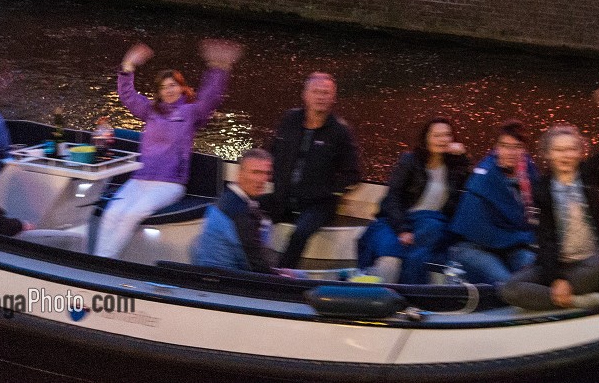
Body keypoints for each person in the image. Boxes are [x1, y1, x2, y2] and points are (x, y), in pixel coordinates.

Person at [94, 40, 238, 258]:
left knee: (133, 213)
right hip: (140, 179)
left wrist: (219, 67)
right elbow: (127, 95)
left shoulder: (191, 113)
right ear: (158, 92)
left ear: (181, 87)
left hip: (169, 184)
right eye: (163, 87)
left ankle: (105, 263)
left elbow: (211, 98)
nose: (168, 90)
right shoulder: (151, 111)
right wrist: (127, 66)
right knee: (112, 213)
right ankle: (98, 260)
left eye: (172, 85)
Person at [500, 85, 599, 311]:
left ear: (579, 152)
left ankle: (553, 298)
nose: (565, 155)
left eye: (571, 149)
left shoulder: (589, 175)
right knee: (509, 289)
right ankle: (575, 300)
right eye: (559, 150)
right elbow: (545, 239)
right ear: (548, 154)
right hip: (556, 265)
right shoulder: (541, 189)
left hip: (589, 263)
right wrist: (556, 279)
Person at [357, 118, 470, 284]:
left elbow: (469, 185)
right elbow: (393, 197)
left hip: (431, 222)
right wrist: (402, 229)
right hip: (399, 219)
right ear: (426, 139)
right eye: (437, 136)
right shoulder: (409, 161)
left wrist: (463, 157)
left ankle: (412, 292)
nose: (443, 140)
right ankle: (375, 290)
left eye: (447, 135)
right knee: (390, 252)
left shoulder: (454, 166)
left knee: (425, 245)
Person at [268, 72, 362, 269]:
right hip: (283, 196)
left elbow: (353, 174)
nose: (321, 97)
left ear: (333, 98)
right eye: (316, 92)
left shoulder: (340, 132)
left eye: (326, 93)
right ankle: (246, 266)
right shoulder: (290, 120)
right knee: (245, 209)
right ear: (305, 95)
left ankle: (280, 278)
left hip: (318, 205)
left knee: (300, 232)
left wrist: (329, 192)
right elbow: (271, 151)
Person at [448, 120, 540, 285]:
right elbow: (481, 232)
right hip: (475, 246)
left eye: (517, 147)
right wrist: (528, 237)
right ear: (496, 148)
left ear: (524, 150)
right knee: (508, 286)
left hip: (511, 244)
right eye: (505, 146)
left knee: (536, 271)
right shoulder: (483, 179)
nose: (510, 152)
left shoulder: (528, 171)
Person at [192, 149, 277, 274]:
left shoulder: (227, 199)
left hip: (218, 274)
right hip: (227, 282)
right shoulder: (238, 212)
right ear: (240, 174)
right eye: (256, 172)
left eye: (266, 173)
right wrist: (282, 276)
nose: (262, 179)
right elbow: (255, 265)